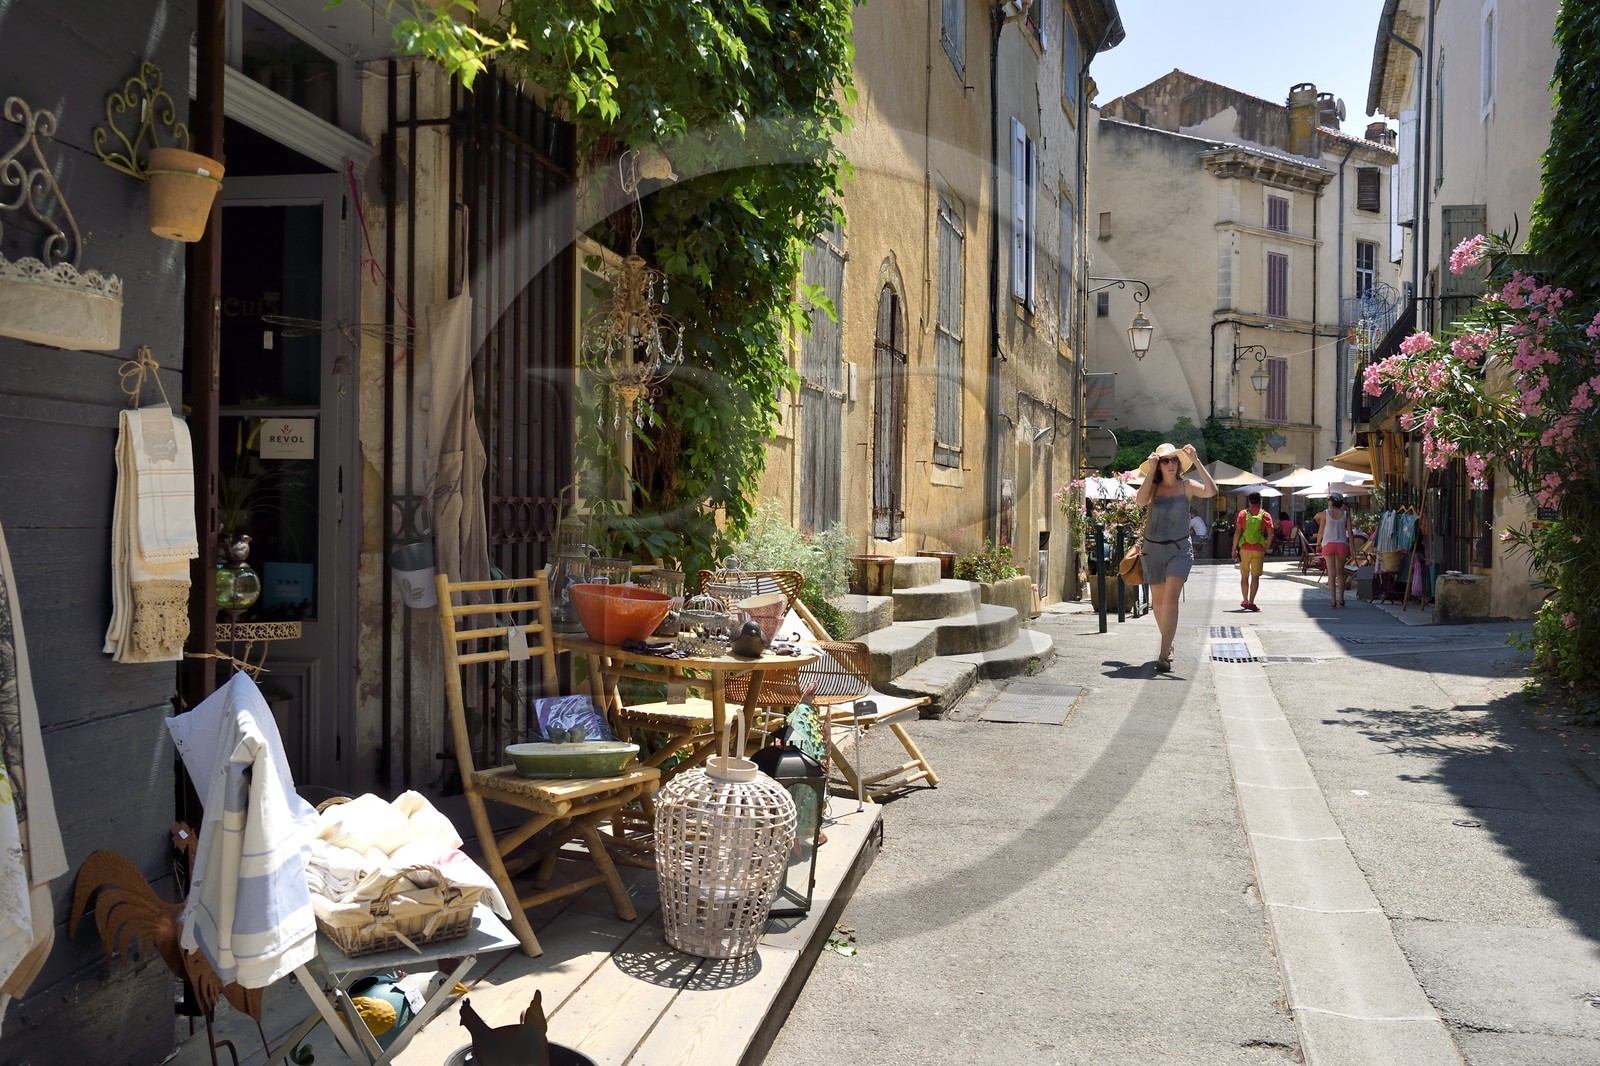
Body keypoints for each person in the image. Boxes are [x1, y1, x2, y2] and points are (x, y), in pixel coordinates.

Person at [1134, 442, 1218, 673]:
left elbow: (1211, 491)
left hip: (1179, 550)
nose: (1170, 464)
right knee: (1158, 606)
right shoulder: (1153, 487)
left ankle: (1163, 655)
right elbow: (1140, 502)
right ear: (1159, 464)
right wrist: (1150, 471)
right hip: (1153, 550)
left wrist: (1198, 461)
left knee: (1170, 602)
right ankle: (1168, 643)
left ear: (1179, 464)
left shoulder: (1187, 485)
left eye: (1173, 460)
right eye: (1164, 461)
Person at [1231, 491, 1275, 611]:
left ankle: (1244, 600)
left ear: (1249, 501)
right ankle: (1251, 601)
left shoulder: (1242, 514)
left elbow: (1238, 532)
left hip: (1244, 548)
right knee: (1255, 577)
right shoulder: (1265, 515)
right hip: (1259, 548)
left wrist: (1234, 548)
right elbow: (1271, 533)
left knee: (1244, 575)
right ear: (1260, 501)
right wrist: (1266, 547)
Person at [1316, 492, 1353, 607]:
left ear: (1332, 501)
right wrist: (1353, 549)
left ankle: (1333, 600)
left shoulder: (1325, 513)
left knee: (1331, 573)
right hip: (1341, 544)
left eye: (1329, 499)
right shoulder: (1345, 514)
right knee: (1340, 573)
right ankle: (1341, 598)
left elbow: (1321, 531)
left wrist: (1318, 543)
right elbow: (1350, 532)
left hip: (1328, 544)